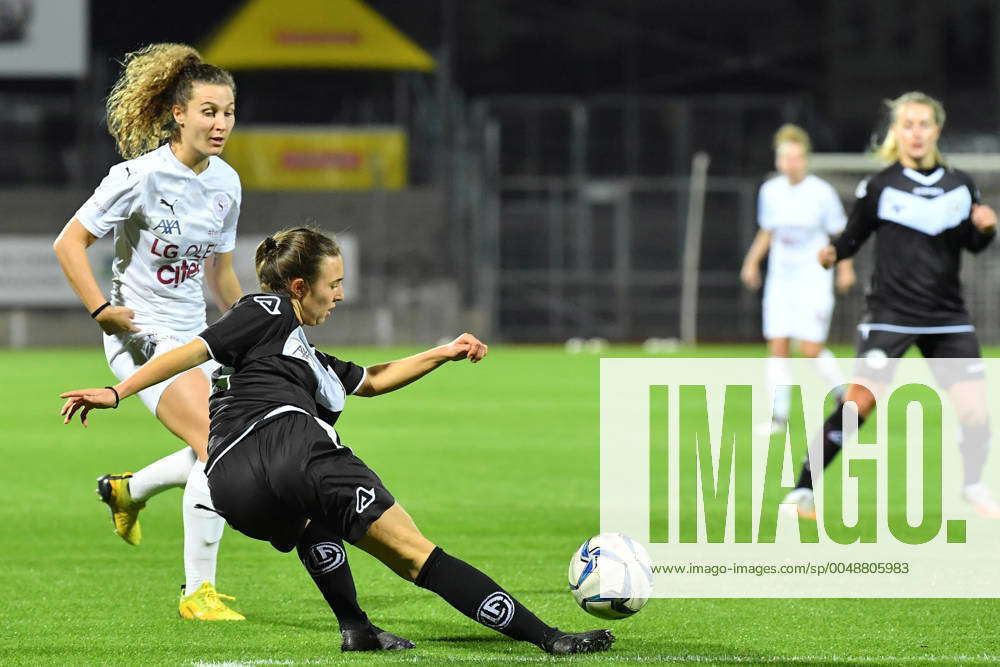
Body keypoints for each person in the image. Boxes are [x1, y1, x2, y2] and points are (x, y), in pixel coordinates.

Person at [59, 227, 615, 656]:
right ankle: (550, 638)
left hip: (230, 483)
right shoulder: (267, 308)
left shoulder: (301, 352)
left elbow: (369, 381)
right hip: (288, 441)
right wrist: (118, 390)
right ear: (300, 287)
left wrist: (439, 353)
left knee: (312, 523)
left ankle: (356, 628)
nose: (341, 295)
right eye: (335, 284)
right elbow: (195, 350)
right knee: (416, 556)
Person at [52, 43, 247, 620]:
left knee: (240, 439)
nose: (220, 123)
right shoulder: (136, 177)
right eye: (209, 111)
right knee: (218, 447)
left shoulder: (227, 184)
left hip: (196, 335)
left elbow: (221, 273)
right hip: (139, 335)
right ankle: (197, 594)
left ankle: (126, 490)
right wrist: (100, 310)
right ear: (178, 114)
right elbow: (69, 243)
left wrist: (253, 331)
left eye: (229, 111)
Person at [782, 91, 1000, 519]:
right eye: (907, 125)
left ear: (937, 129)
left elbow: (972, 245)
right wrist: (834, 253)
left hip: (946, 317)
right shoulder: (880, 185)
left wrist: (987, 230)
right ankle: (803, 490)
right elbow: (853, 235)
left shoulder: (959, 185)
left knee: (975, 409)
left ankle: (974, 486)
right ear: (896, 132)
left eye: (923, 124)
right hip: (891, 314)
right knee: (860, 401)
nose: (915, 133)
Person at [741, 124, 856, 433]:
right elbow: (768, 231)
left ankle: (844, 395)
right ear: (778, 160)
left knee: (809, 348)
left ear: (804, 159)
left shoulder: (821, 192)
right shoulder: (771, 191)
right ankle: (779, 416)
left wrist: (845, 268)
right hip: (781, 280)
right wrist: (752, 262)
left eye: (796, 157)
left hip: (813, 279)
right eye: (785, 158)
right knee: (777, 344)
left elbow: (840, 234)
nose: (790, 163)